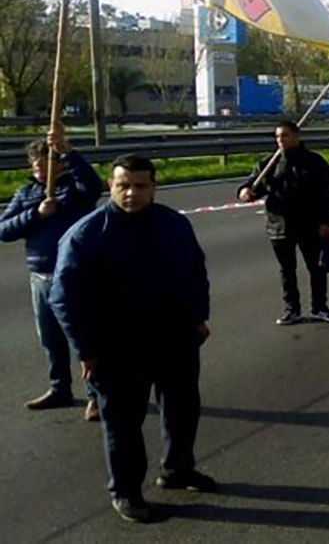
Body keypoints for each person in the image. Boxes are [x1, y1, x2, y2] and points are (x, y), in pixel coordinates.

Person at [49, 155, 215, 523]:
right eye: (123, 185)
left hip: (174, 337)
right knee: (123, 423)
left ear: (153, 187)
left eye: (140, 186)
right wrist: (86, 350)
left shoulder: (173, 224)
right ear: (111, 185)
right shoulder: (88, 234)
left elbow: (195, 271)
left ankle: (177, 469)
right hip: (117, 347)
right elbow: (63, 297)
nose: (131, 193)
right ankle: (125, 491)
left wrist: (198, 318)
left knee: (183, 409)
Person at [0, 128, 103, 419]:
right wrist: (36, 214)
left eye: (43, 160)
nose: (36, 165)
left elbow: (94, 186)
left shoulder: (75, 190)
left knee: (82, 338)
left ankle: (96, 395)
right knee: (51, 339)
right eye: (33, 161)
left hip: (73, 277)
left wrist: (68, 150)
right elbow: (4, 230)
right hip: (40, 276)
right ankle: (60, 388)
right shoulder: (27, 193)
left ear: (58, 163)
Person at [237, 120, 329, 325]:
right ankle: (291, 309)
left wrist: (327, 221)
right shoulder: (267, 165)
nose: (280, 140)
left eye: (285, 135)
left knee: (316, 268)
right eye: (277, 136)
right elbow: (252, 187)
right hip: (279, 226)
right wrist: (245, 192)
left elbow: (326, 194)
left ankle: (319, 307)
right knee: (287, 270)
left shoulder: (314, 163)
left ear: (297, 136)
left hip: (309, 225)